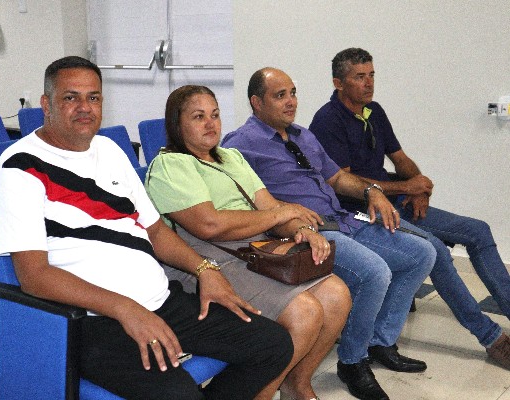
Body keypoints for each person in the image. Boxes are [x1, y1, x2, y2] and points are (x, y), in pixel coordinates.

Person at [0, 56, 294, 400]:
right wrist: (125, 308)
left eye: (93, 97)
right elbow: (34, 276)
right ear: (46, 104)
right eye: (70, 97)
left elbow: (157, 231)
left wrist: (205, 269)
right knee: (178, 395)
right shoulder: (18, 167)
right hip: (93, 320)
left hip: (160, 300)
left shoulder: (109, 150)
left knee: (273, 345)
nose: (85, 107)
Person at [222, 67, 437, 400]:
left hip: (343, 219)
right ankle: (352, 361)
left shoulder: (303, 136)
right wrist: (284, 217)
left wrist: (372, 191)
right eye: (280, 96)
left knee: (422, 254)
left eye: (293, 93)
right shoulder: (240, 145)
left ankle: (379, 342)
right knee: (374, 272)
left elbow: (337, 179)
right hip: (304, 233)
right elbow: (242, 201)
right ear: (256, 102)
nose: (291, 102)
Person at [145, 85, 352, 400]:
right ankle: (261, 394)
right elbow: (208, 224)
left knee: (337, 296)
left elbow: (270, 207)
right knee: (305, 313)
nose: (211, 124)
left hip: (254, 251)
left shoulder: (232, 157)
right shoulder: (170, 165)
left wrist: (302, 228)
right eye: (198, 117)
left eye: (215, 115)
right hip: (205, 260)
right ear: (177, 124)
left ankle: (297, 383)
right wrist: (280, 214)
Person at [310, 47, 510, 371]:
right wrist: (406, 187)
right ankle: (491, 338)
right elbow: (344, 183)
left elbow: (400, 159)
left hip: (396, 200)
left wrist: (419, 187)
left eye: (371, 75)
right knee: (436, 251)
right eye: (359, 77)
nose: (369, 83)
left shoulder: (373, 111)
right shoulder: (327, 121)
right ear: (338, 83)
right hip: (360, 210)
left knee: (478, 230)